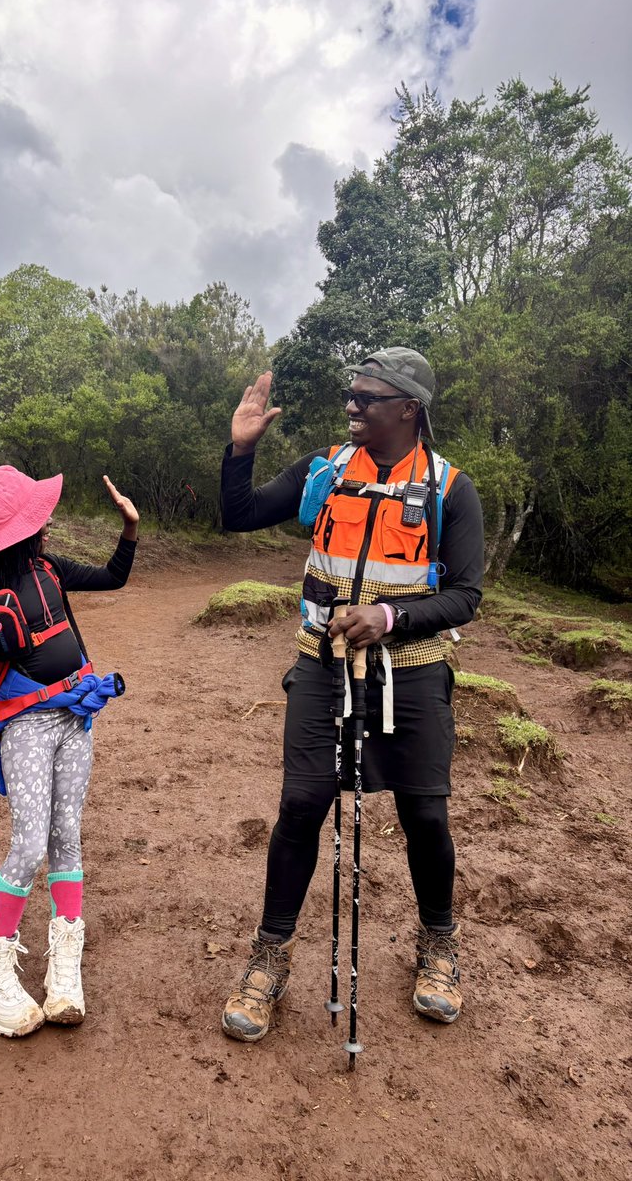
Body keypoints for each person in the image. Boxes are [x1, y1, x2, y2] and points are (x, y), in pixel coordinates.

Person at [219, 348, 484, 1043]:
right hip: (321, 663)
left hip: (415, 671)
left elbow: (466, 595)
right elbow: (238, 514)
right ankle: (269, 957)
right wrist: (241, 450)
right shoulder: (325, 469)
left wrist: (389, 616)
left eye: (367, 397)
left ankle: (439, 944)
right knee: (301, 804)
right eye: (352, 394)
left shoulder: (451, 489)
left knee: (426, 814)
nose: (352, 406)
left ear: (409, 409)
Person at [0, 465, 138, 1037]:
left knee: (67, 835)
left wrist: (129, 530)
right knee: (29, 844)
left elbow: (112, 578)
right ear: (16, 531)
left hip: (77, 716)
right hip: (25, 726)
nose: (46, 524)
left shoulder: (48, 567)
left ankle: (64, 966)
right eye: (37, 518)